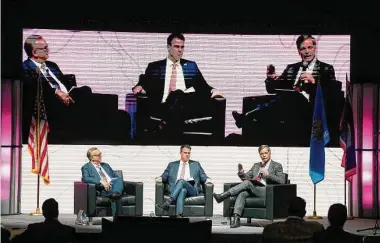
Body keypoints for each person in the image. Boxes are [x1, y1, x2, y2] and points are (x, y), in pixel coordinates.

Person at [232, 35, 342, 146]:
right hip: (288, 109)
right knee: (283, 97)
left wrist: (314, 82)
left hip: (311, 109)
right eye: (303, 49)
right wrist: (270, 79)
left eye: (310, 47)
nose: (307, 52)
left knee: (292, 96)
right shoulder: (291, 68)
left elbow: (331, 93)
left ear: (315, 48)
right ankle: (251, 128)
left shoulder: (326, 68)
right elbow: (272, 89)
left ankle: (246, 117)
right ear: (298, 51)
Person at [132, 33, 223, 136]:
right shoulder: (155, 66)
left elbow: (203, 86)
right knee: (176, 95)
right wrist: (140, 86)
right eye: (176, 46)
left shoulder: (190, 66)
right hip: (163, 106)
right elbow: (145, 81)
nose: (180, 50)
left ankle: (163, 124)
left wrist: (213, 90)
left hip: (186, 107)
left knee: (178, 94)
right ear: (168, 47)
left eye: (182, 47)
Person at [22, 35, 94, 143]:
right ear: (34, 52)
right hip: (50, 104)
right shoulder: (25, 68)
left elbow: (62, 83)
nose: (48, 50)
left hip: (68, 98)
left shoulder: (52, 66)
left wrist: (70, 91)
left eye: (47, 47)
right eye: (44, 48)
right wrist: (56, 91)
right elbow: (34, 87)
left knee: (86, 91)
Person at [213, 145, 285, 228]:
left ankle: (222, 196)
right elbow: (246, 177)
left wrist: (268, 174)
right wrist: (241, 174)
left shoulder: (277, 165)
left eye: (266, 153)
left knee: (247, 183)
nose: (264, 155)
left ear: (270, 153)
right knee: (242, 193)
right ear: (259, 154)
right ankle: (236, 219)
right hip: (254, 188)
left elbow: (281, 180)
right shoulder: (256, 166)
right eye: (261, 154)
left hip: (267, 191)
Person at [155, 144, 212, 217]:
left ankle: (169, 202)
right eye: (185, 153)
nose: (187, 155)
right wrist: (160, 178)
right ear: (180, 153)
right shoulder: (172, 165)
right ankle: (179, 215)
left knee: (181, 181)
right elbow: (165, 175)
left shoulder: (196, 164)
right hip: (176, 190)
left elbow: (202, 175)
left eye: (189, 153)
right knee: (182, 190)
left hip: (192, 190)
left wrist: (207, 180)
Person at [81, 147, 124, 216]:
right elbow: (85, 178)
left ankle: (115, 193)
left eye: (100, 154)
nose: (101, 156)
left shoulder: (106, 165)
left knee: (118, 179)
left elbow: (115, 176)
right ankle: (116, 196)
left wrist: (109, 182)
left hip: (113, 185)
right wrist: (100, 181)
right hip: (103, 188)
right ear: (92, 158)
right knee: (117, 196)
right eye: (98, 155)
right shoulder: (86, 167)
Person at [11, 198, 76, 243]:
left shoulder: (33, 229)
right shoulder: (69, 231)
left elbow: (15, 241)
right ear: (58, 212)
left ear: (43, 213)